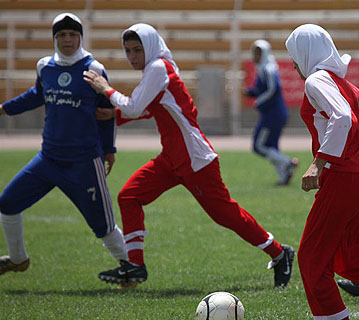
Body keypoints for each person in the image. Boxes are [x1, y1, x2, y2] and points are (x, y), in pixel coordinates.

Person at [83, 23, 295, 288]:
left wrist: (106, 89)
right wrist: (114, 114)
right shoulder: (157, 68)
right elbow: (153, 108)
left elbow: (137, 107)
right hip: (172, 157)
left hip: (194, 159)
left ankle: (279, 253)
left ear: (149, 47)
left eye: (137, 49)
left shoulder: (158, 67)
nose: (132, 56)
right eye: (128, 51)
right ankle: (135, 266)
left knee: (224, 214)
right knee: (129, 196)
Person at [0, 13, 129, 280]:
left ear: (80, 37)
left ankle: (129, 268)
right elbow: (37, 94)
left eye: (72, 34)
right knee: (7, 203)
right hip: (48, 159)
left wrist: (109, 150)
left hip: (84, 162)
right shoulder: (45, 66)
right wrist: (5, 109)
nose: (67, 39)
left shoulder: (94, 68)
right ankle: (17, 259)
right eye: (61, 35)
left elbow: (107, 112)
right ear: (54, 38)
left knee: (103, 226)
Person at [286, 24, 359, 320]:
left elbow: (343, 119)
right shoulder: (346, 83)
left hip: (344, 176)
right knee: (351, 255)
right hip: (352, 176)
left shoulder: (316, 79)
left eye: (294, 56)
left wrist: (319, 162)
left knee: (313, 259)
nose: (292, 64)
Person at [242, 40, 298, 185]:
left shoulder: (268, 68)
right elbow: (261, 90)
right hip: (274, 113)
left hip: (273, 114)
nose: (255, 55)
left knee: (259, 146)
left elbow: (273, 89)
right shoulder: (264, 68)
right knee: (272, 148)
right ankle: (283, 176)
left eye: (258, 52)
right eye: (254, 52)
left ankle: (288, 163)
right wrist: (249, 93)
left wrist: (259, 101)